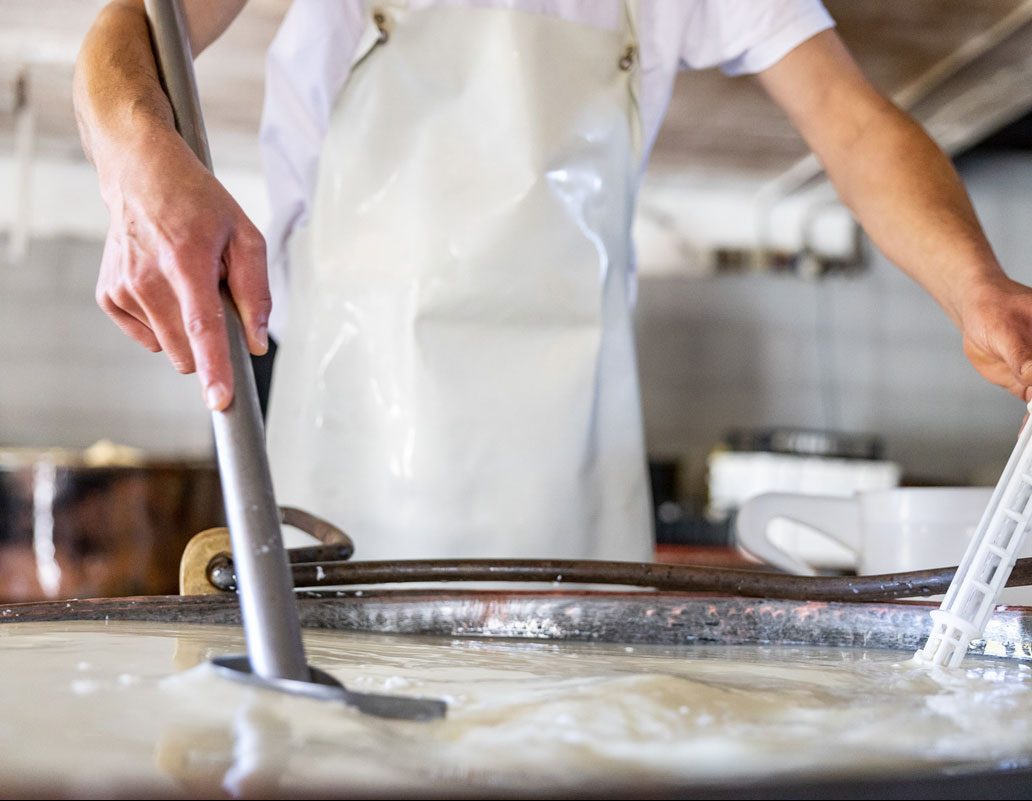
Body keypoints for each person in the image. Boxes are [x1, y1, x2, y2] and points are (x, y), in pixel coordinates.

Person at [74, 0, 1032, 562]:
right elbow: (133, 27)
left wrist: (978, 287)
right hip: (348, 398)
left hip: (570, 438)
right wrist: (136, 155)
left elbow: (853, 122)